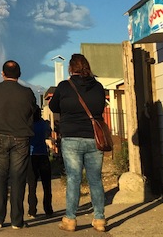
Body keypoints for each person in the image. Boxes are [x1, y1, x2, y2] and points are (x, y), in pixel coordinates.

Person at [49, 53, 107, 233]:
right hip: (93, 139)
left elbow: (53, 107)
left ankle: (71, 219)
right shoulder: (97, 87)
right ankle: (99, 219)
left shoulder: (65, 86)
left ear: (71, 69)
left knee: (74, 178)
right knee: (95, 179)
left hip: (71, 138)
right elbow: (100, 107)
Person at [0, 60, 38, 230]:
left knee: (0, 177)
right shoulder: (27, 92)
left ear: (2, 74)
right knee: (18, 178)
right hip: (21, 138)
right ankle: (17, 221)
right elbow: (33, 110)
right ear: (19, 74)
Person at [26, 115, 54, 217]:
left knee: (32, 185)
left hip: (31, 155)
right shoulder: (44, 124)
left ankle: (32, 210)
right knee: (47, 185)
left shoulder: (28, 125)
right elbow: (49, 133)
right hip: (43, 155)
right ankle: (48, 209)